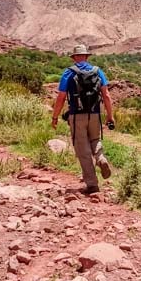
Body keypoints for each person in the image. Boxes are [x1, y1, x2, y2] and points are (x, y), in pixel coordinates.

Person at [51, 44, 115, 194]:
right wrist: (110, 116)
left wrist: (54, 117)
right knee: (95, 140)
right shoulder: (98, 72)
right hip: (95, 115)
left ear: (74, 58)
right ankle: (100, 158)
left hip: (76, 116)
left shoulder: (68, 73)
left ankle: (92, 185)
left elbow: (61, 97)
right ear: (86, 57)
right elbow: (106, 95)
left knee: (83, 150)